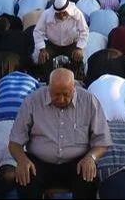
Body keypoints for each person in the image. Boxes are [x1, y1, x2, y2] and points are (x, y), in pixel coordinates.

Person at [8, 68, 112, 200]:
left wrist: (91, 157)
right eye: (56, 94)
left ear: (74, 88)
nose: (61, 99)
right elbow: (14, 142)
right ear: (48, 88)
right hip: (39, 163)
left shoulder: (89, 101)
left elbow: (102, 142)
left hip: (77, 163)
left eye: (66, 94)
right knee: (24, 177)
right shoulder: (32, 101)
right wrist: (22, 160)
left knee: (89, 178)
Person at [32, 0, 89, 67]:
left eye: (64, 13)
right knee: (43, 59)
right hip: (52, 45)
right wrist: (42, 49)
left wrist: (79, 48)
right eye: (58, 14)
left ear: (68, 10)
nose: (61, 16)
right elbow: (37, 32)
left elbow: (84, 31)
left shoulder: (77, 13)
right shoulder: (46, 14)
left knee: (78, 59)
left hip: (71, 45)